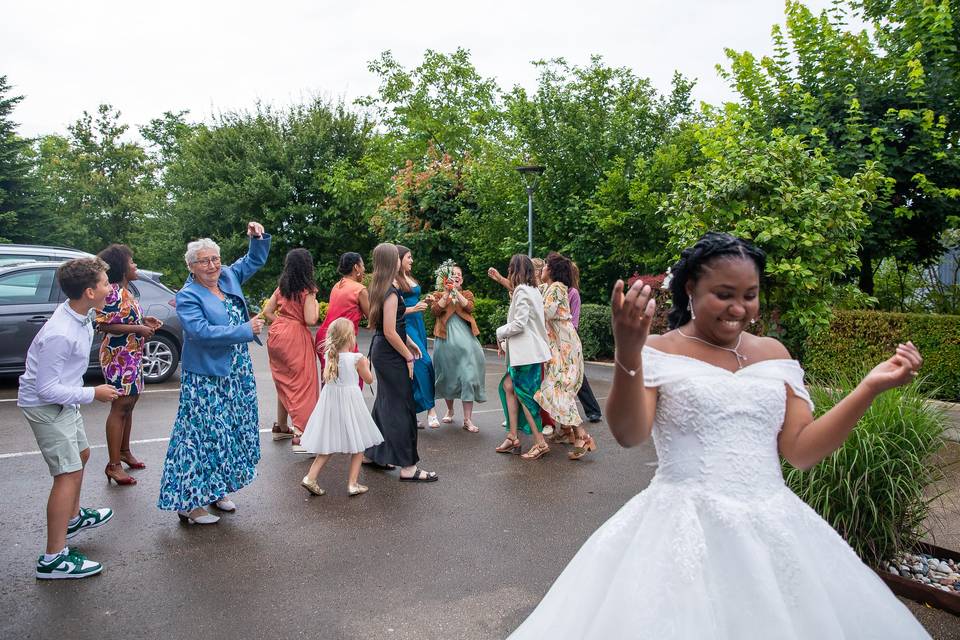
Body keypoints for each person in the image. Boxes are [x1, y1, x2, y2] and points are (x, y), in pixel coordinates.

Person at [507, 232, 929, 639]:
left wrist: (868, 388)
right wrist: (629, 354)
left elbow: (800, 452)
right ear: (690, 288)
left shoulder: (775, 355)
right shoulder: (659, 349)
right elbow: (629, 433)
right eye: (724, 295)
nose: (739, 308)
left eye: (750, 295)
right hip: (681, 527)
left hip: (774, 524)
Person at [157, 221, 269, 525]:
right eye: (204, 261)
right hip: (206, 378)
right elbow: (200, 331)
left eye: (215, 259)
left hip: (236, 374)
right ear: (192, 267)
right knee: (201, 437)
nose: (212, 265)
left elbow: (254, 260)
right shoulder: (188, 295)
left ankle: (217, 490)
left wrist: (256, 238)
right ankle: (190, 504)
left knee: (229, 435)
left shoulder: (229, 276)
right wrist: (245, 329)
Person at [19, 257, 119, 579]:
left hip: (65, 401)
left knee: (82, 455)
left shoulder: (81, 313)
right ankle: (53, 558)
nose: (109, 287)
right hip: (48, 406)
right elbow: (46, 389)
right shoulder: (60, 333)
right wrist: (94, 394)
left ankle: (73, 517)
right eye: (105, 283)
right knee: (67, 473)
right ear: (89, 291)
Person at [363, 242, 437, 483]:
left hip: (383, 350)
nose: (401, 260)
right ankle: (408, 467)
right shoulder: (391, 291)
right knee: (402, 407)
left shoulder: (380, 286)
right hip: (390, 353)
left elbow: (393, 324)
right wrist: (407, 354)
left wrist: (411, 343)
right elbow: (389, 330)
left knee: (385, 403)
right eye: (397, 257)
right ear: (390, 261)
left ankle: (372, 453)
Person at [96, 244, 163, 485]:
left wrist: (144, 320)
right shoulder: (112, 291)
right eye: (131, 261)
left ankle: (124, 451)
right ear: (121, 267)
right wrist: (138, 328)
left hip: (131, 355)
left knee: (130, 403)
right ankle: (113, 465)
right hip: (118, 356)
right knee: (120, 406)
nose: (135, 265)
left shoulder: (125, 290)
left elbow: (122, 317)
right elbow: (103, 324)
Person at [299, 318, 383, 497]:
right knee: (359, 444)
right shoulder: (357, 358)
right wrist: (367, 366)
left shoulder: (330, 355)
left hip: (331, 404)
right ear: (350, 337)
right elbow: (368, 380)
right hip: (351, 404)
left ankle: (310, 477)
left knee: (329, 443)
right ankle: (352, 484)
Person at [494, 254, 552, 459]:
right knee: (509, 387)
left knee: (526, 398)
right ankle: (512, 437)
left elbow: (519, 324)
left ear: (515, 270)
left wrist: (499, 332)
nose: (509, 272)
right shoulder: (534, 290)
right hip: (532, 353)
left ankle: (540, 443)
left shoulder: (521, 291)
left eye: (510, 269)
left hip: (526, 356)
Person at [536, 252, 592, 460]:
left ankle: (580, 434)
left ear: (551, 270)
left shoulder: (557, 288)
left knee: (557, 389)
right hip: (559, 347)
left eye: (544, 266)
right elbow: (527, 292)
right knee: (558, 390)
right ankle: (576, 434)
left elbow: (545, 313)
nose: (541, 270)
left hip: (565, 348)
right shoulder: (548, 288)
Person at [263, 248, 320, 443]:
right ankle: (303, 435)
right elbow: (311, 319)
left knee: (285, 382)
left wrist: (280, 322)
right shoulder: (308, 290)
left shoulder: (282, 287)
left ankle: (281, 426)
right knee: (303, 386)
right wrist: (318, 305)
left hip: (278, 336)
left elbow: (267, 311)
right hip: (296, 337)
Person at [430, 263, 487, 432]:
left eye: (459, 274)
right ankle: (450, 409)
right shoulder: (439, 294)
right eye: (453, 274)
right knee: (448, 377)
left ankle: (467, 419)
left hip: (467, 344)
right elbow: (435, 311)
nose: (456, 276)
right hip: (446, 342)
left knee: (468, 377)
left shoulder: (467, 293)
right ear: (446, 278)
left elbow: (469, 307)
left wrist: (455, 291)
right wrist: (447, 292)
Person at [397, 246, 439, 428]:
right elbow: (392, 309)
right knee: (424, 362)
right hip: (407, 325)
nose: (411, 260)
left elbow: (414, 299)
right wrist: (413, 309)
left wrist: (426, 301)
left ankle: (412, 412)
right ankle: (431, 410)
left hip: (418, 324)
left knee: (413, 368)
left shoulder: (409, 277)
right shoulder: (394, 281)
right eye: (408, 257)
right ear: (398, 259)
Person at [568, 262, 602, 423]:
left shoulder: (573, 293)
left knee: (578, 374)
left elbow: (574, 323)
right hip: (556, 338)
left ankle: (593, 410)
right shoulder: (554, 290)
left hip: (569, 339)